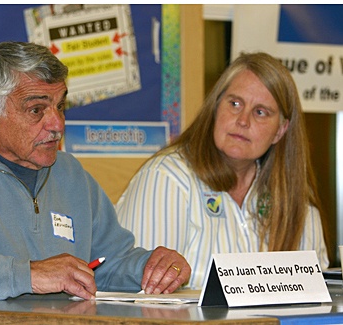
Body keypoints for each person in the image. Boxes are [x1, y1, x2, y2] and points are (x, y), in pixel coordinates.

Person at [0, 41, 191, 301]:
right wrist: (27, 275)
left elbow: (106, 264)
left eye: (60, 106)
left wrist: (151, 267)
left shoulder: (71, 174)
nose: (57, 124)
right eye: (37, 109)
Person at [116, 51, 328, 290]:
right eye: (235, 104)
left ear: (280, 130)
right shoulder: (167, 178)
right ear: (216, 107)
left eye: (260, 112)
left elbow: (315, 304)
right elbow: (141, 297)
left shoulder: (297, 205)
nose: (243, 120)